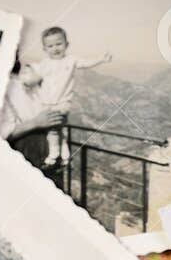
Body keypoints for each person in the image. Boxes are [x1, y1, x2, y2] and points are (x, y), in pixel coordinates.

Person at [26, 27, 112, 168]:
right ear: (44, 49)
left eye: (59, 44)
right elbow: (34, 75)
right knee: (60, 130)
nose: (55, 48)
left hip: (62, 103)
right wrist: (28, 76)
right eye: (50, 46)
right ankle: (65, 157)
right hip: (47, 103)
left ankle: (53, 157)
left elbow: (85, 63)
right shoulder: (44, 63)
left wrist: (101, 59)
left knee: (52, 129)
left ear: (67, 44)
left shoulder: (71, 60)